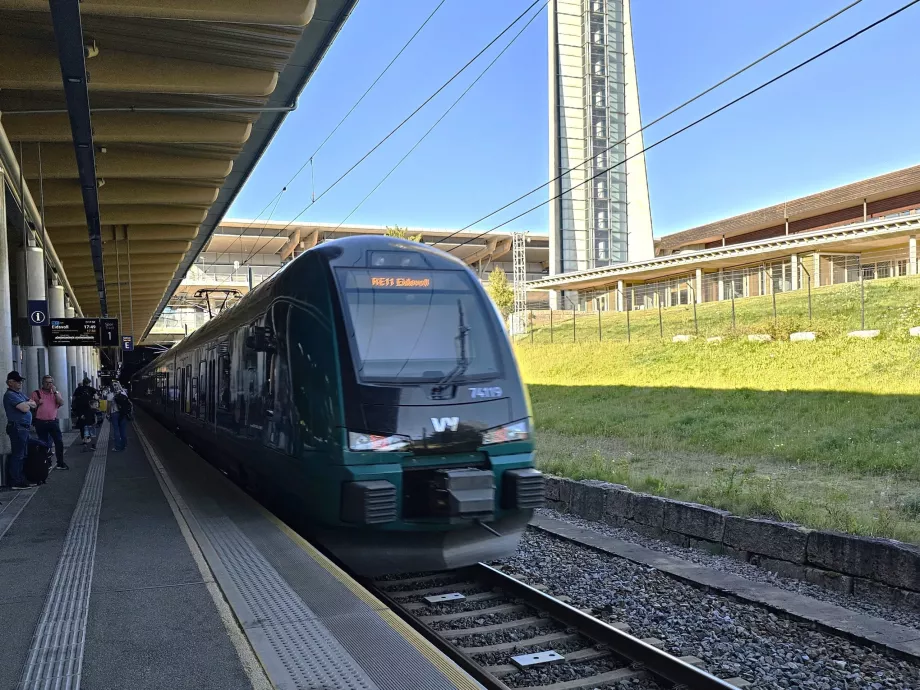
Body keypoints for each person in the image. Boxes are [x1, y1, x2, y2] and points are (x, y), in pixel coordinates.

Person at [3, 371, 37, 489]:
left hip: (23, 428)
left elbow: (34, 404)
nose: (20, 383)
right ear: (10, 382)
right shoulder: (10, 395)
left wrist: (27, 403)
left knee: (23, 454)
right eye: (17, 381)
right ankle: (15, 481)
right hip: (17, 427)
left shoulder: (19, 394)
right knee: (18, 455)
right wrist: (27, 404)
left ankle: (21, 479)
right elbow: (24, 408)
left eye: (21, 381)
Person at [31, 375, 69, 470]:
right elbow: (30, 406)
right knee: (43, 443)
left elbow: (61, 403)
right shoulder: (36, 393)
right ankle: (47, 463)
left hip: (52, 421)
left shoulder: (56, 393)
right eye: (46, 382)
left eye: (51, 382)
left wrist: (55, 392)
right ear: (42, 383)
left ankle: (60, 462)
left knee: (59, 442)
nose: (49, 384)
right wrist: (37, 403)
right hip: (40, 422)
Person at [72, 377, 98, 451]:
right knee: (90, 424)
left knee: (82, 425)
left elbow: (74, 399)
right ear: (89, 383)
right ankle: (92, 443)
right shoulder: (92, 389)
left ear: (83, 382)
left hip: (80, 410)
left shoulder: (78, 389)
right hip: (89, 409)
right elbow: (96, 397)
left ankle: (84, 440)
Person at [107, 383, 132, 452]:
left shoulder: (110, 395)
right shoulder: (124, 393)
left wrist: (108, 414)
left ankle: (117, 447)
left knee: (116, 430)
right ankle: (124, 445)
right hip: (123, 414)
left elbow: (108, 407)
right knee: (123, 430)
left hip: (114, 413)